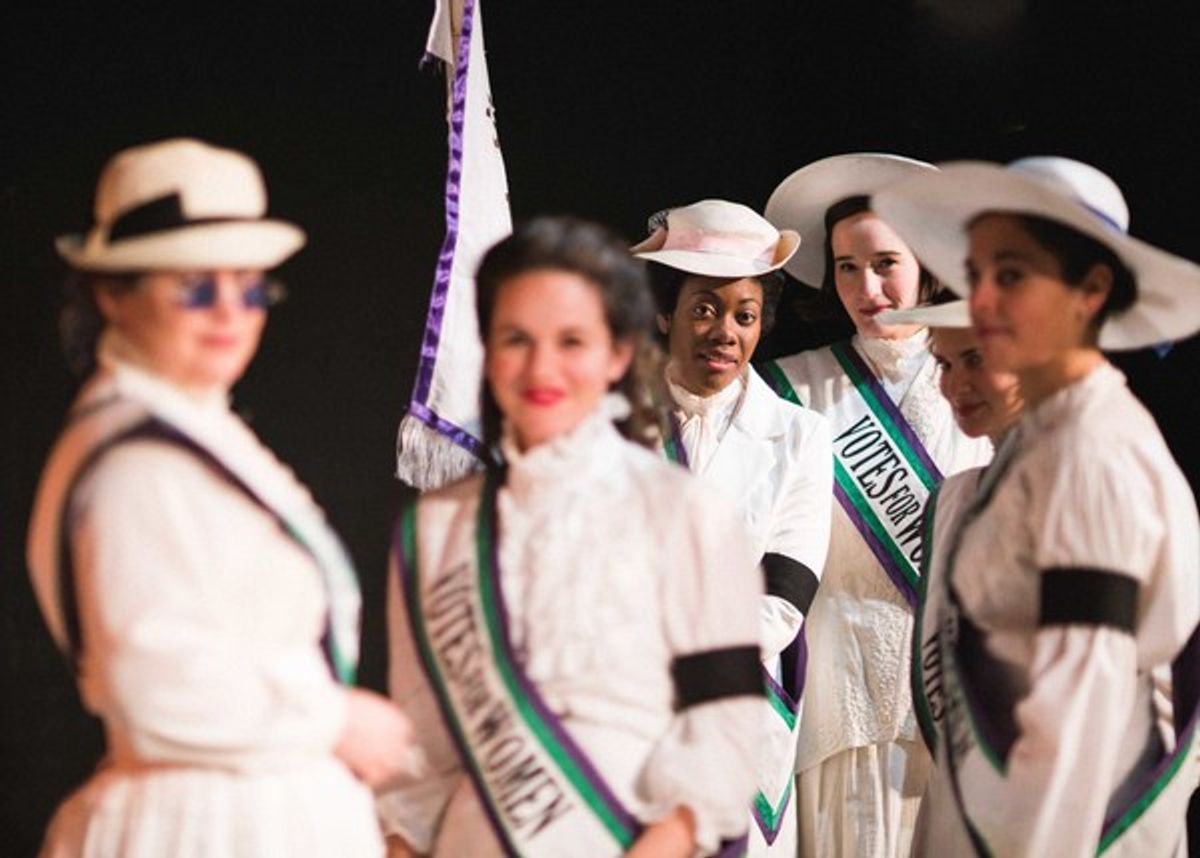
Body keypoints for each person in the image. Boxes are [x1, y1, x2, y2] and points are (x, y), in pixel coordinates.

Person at [26, 138, 417, 858]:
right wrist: (333, 721)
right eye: (195, 288)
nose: (230, 313)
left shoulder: (184, 424)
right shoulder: (137, 462)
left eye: (250, 287)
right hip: (201, 827)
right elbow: (151, 685)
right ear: (113, 295)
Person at [377, 217, 765, 858]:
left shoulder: (687, 513)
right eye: (516, 339)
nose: (542, 367)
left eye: (572, 341)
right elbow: (418, 762)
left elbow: (722, 733)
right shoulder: (436, 528)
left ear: (617, 353)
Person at [874, 155, 1200, 856]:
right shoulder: (1045, 444)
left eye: (1013, 275)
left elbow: (1078, 718)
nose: (983, 300)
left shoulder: (1093, 454)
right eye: (977, 275)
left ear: (1091, 290)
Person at [761, 153, 992, 858]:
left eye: (886, 263)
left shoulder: (979, 385)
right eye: (847, 267)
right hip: (837, 706)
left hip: (954, 699)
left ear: (925, 263)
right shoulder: (791, 388)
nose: (867, 287)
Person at [631, 198, 832, 856]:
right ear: (666, 313)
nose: (724, 332)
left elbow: (784, 598)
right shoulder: (612, 424)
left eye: (744, 316)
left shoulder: (800, 436)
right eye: (704, 310)